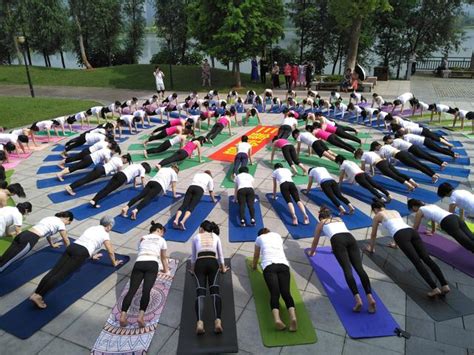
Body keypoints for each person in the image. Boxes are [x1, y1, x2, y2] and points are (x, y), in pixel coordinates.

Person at [29, 216, 123, 309]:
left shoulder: (92, 228)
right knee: (59, 275)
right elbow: (110, 251)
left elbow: (86, 242)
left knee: (54, 271)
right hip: (80, 253)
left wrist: (92, 255)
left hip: (72, 247)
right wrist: (114, 262)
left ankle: (36, 293)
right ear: (109, 226)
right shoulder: (105, 234)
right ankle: (39, 296)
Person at [366, 200, 449, 298]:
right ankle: (445, 285)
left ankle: (434, 288)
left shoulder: (378, 216)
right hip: (411, 231)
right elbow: (399, 225)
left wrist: (371, 248)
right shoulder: (395, 211)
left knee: (417, 262)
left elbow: (373, 234)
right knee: (427, 258)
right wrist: (396, 245)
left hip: (400, 236)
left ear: (375, 209)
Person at [308, 207, 376, 313]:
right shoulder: (339, 219)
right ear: (330, 215)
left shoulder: (321, 223)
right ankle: (370, 297)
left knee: (347, 269)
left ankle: (358, 300)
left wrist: (312, 252)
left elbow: (315, 240)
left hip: (337, 241)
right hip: (350, 238)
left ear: (320, 217)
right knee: (359, 268)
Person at [120, 221, 169, 328]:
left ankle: (123, 316)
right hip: (152, 264)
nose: (162, 235)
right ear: (159, 230)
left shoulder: (143, 238)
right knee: (146, 290)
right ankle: (140, 317)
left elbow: (140, 250)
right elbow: (163, 258)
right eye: (162, 233)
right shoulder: (162, 240)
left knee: (132, 290)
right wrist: (166, 270)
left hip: (139, 262)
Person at [251, 227, 297, 331]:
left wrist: (254, 266)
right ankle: (293, 318)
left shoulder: (259, 238)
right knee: (286, 293)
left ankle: (277, 320)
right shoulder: (277, 235)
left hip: (269, 266)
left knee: (275, 293)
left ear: (260, 234)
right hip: (283, 265)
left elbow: (256, 255)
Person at [0, 212, 73, 273]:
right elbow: (66, 239)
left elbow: (47, 234)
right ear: (67, 218)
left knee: (6, 255)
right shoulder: (61, 224)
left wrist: (52, 244)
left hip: (23, 234)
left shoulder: (50, 218)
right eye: (68, 223)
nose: (67, 224)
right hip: (30, 239)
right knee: (9, 261)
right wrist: (70, 253)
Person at [190, 220, 229, 334]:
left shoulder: (196, 237)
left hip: (200, 264)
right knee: (215, 292)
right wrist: (222, 268)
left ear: (202, 228)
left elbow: (193, 257)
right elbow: (221, 256)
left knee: (200, 293)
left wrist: (192, 270)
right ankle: (217, 321)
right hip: (212, 263)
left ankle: (200, 323)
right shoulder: (216, 237)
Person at [408, 199, 474, 252]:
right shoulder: (430, 206)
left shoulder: (420, 211)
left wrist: (408, 239)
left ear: (414, 206)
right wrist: (432, 231)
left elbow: (415, 227)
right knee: (471, 237)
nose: (414, 212)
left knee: (467, 243)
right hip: (455, 217)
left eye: (413, 210)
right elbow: (432, 219)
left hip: (448, 223)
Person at [372, 141, 439, 182]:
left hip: (401, 156)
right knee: (420, 164)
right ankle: (433, 173)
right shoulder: (386, 145)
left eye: (375, 149)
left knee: (418, 166)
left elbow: (383, 159)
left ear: (377, 146)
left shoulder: (381, 150)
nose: (376, 150)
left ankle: (432, 176)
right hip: (403, 153)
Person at [66, 154, 132, 195]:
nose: (125, 163)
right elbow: (119, 173)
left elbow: (109, 164)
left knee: (86, 179)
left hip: (100, 167)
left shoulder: (116, 158)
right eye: (126, 162)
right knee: (85, 180)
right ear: (125, 159)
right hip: (101, 171)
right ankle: (70, 187)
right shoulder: (120, 164)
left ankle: (71, 187)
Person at [56, 145, 121, 182]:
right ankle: (60, 174)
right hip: (89, 160)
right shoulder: (107, 153)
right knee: (75, 167)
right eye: (115, 152)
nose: (114, 153)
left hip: (89, 157)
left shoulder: (106, 149)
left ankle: (61, 173)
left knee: (76, 166)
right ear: (113, 150)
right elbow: (107, 163)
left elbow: (103, 161)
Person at [383, 135, 448, 168]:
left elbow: (395, 153)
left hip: (413, 149)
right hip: (413, 148)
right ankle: (441, 162)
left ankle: (441, 163)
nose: (386, 143)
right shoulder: (396, 140)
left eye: (386, 142)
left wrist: (393, 162)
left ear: (388, 139)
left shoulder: (395, 143)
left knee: (427, 157)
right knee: (427, 155)